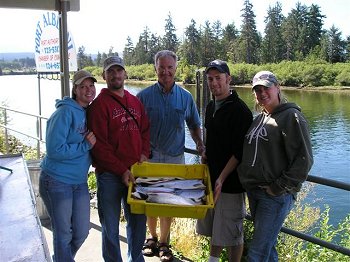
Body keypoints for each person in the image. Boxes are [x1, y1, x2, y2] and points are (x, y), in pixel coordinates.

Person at [237, 71, 314, 261]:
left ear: (277, 87)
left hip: (273, 197)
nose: (262, 93)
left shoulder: (291, 117)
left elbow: (304, 160)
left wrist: (277, 187)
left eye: (266, 88)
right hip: (255, 192)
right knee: (267, 251)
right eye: (257, 90)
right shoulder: (260, 118)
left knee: (256, 254)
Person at [137, 50, 204, 262]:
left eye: (169, 68)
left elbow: (194, 124)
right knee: (150, 201)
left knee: (169, 202)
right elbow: (135, 128)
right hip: (150, 158)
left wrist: (200, 145)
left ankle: (165, 243)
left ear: (175, 69)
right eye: (161, 67)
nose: (165, 72)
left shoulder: (185, 97)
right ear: (155, 68)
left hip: (176, 158)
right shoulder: (143, 97)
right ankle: (152, 238)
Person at [87, 56, 150, 262]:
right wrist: (121, 170)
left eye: (119, 70)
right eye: (110, 71)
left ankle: (136, 258)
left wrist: (144, 153)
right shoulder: (98, 106)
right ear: (104, 75)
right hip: (110, 176)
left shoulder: (135, 101)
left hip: (136, 174)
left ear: (125, 73)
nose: (115, 75)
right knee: (110, 227)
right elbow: (100, 147)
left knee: (138, 223)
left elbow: (145, 131)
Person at [195, 60, 253, 262]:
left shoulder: (241, 111)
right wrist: (205, 152)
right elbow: (210, 134)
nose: (214, 83)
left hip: (231, 183)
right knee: (216, 227)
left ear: (229, 79)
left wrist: (221, 178)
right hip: (212, 179)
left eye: (218, 78)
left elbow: (239, 152)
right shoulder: (211, 106)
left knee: (233, 232)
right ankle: (212, 260)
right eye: (210, 79)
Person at [39, 70, 97, 262]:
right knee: (63, 234)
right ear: (75, 89)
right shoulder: (64, 112)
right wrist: (85, 146)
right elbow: (55, 150)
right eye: (83, 86)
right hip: (56, 181)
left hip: (79, 181)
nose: (88, 90)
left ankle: (62, 259)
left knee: (81, 231)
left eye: (91, 86)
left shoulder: (88, 111)